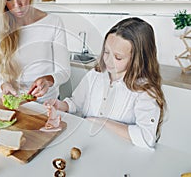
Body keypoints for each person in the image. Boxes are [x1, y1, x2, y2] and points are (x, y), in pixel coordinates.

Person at [45, 17, 166, 149]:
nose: (108, 61)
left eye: (118, 57)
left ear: (138, 59)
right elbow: (76, 103)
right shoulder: (95, 75)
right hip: (87, 145)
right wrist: (60, 105)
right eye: (106, 52)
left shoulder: (145, 90)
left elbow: (146, 137)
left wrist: (100, 122)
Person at [0, 0, 70, 103]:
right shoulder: (0, 27)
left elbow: (64, 72)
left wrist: (48, 80)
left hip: (48, 104)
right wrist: (4, 87)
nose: (17, 5)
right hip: (17, 104)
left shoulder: (53, 22)